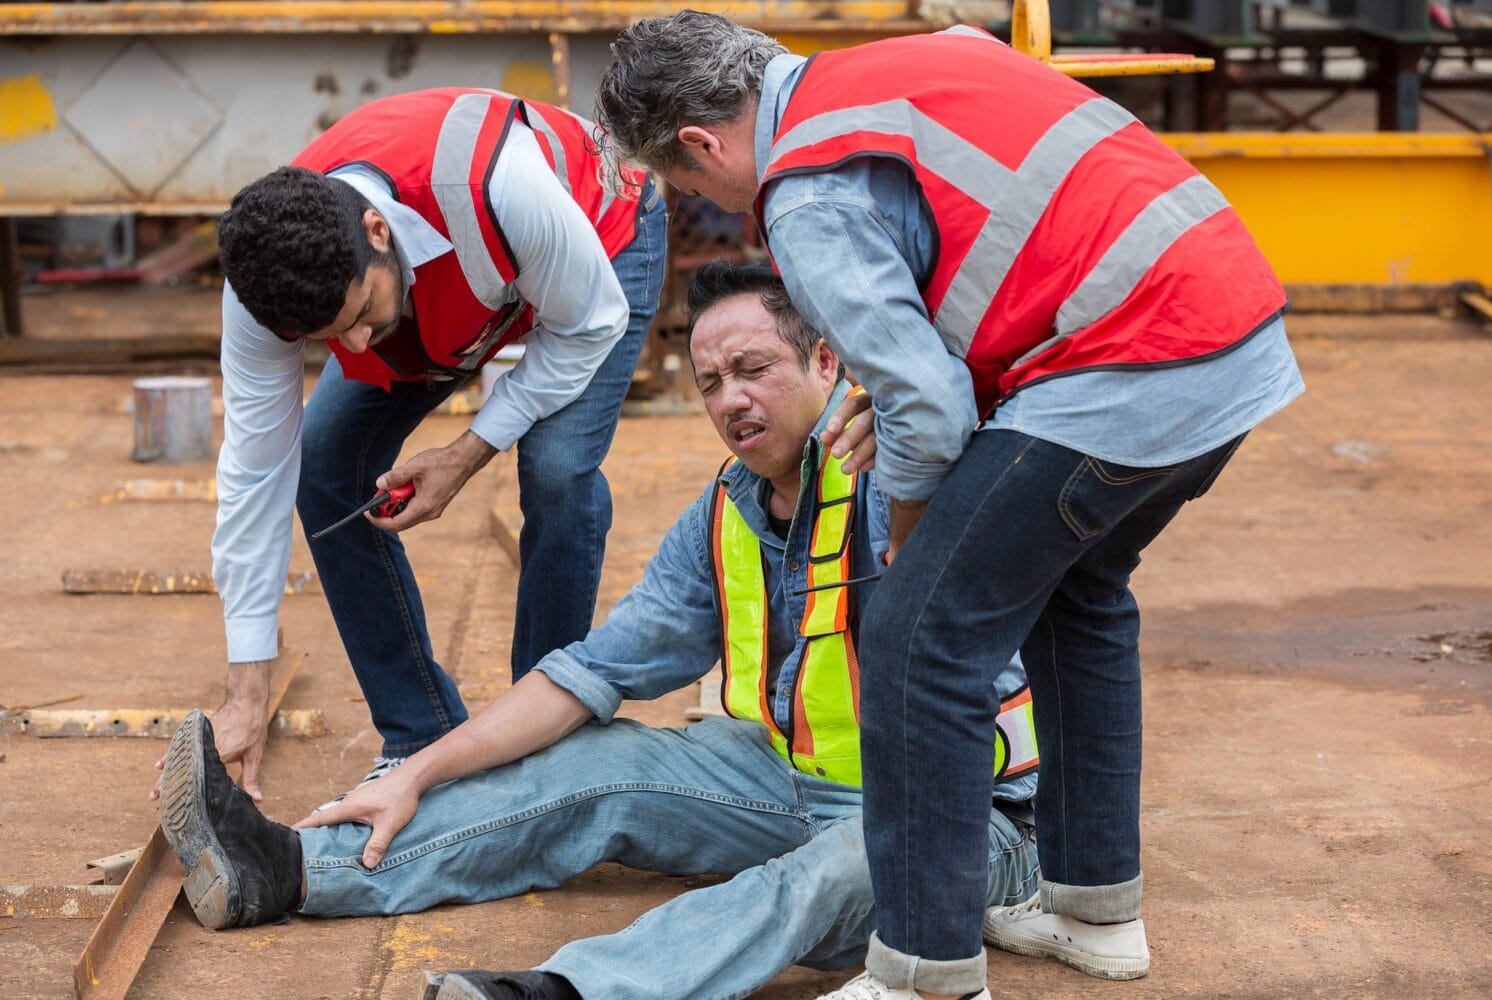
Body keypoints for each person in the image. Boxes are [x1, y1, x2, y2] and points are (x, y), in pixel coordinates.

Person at [594, 13, 1305, 1000]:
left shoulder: (806, 195)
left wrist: (916, 563)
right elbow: (974, 271)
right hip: (1232, 343)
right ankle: (1094, 911)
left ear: (703, 145)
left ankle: (924, 972)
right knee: (1080, 594)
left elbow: (924, 407)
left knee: (919, 643)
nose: (717, 203)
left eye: (693, 187)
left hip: (1123, 364)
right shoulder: (927, 54)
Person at [155, 260, 1042, 1000]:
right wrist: (414, 771)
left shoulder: (903, 469)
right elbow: (590, 672)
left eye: (754, 367)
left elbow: (986, 418)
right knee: (599, 760)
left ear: (823, 360)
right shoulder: (726, 511)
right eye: (710, 382)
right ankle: (290, 869)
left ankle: (574, 991)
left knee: (838, 869)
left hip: (967, 818)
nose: (732, 399)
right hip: (789, 779)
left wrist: (914, 427)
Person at [173, 88, 667, 803]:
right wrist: (246, 690)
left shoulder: (502, 190)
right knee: (325, 468)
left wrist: (466, 453)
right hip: (460, 278)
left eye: (362, 316)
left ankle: (544, 741)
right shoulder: (266, 288)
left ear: (376, 229)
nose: (357, 348)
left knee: (557, 470)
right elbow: (255, 474)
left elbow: (589, 323)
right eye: (329, 339)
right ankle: (420, 735)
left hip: (596, 248)